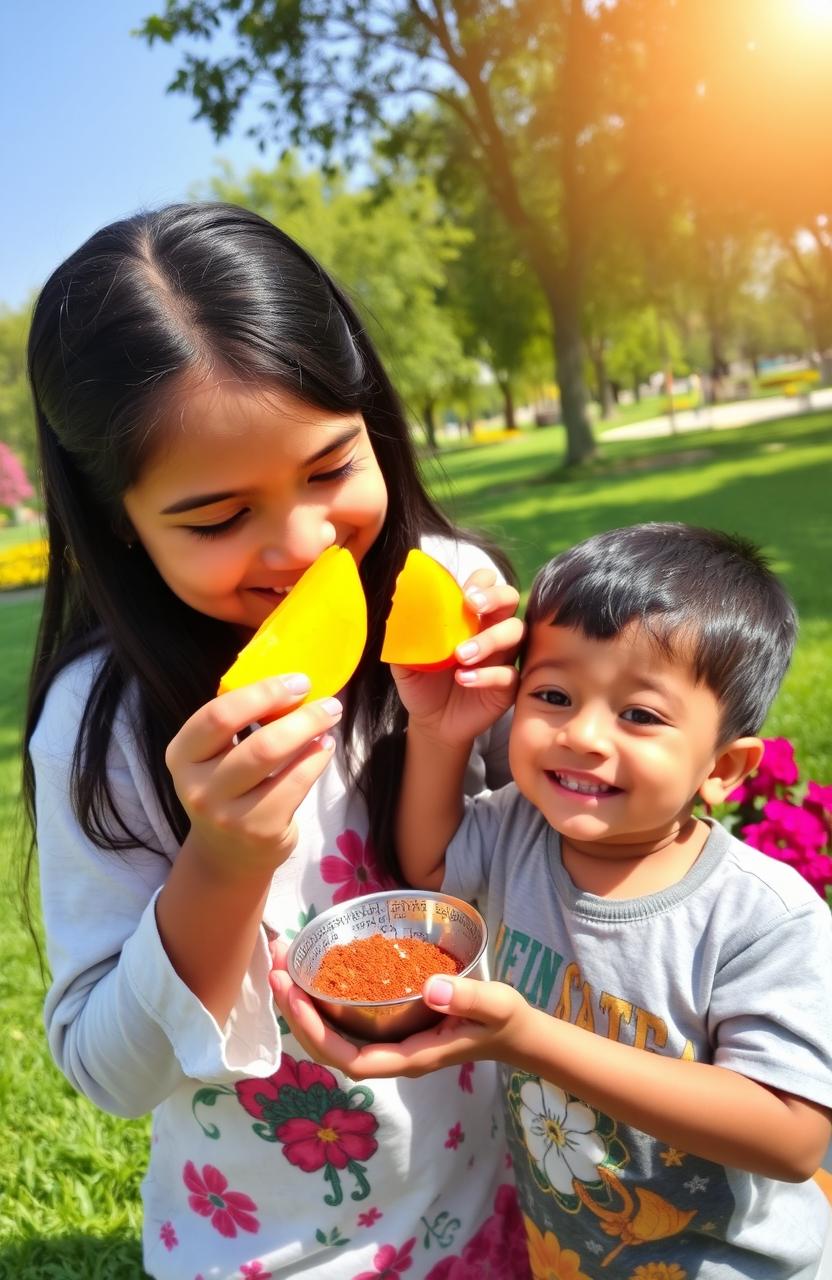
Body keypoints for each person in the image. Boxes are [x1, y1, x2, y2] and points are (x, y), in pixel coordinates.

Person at [23, 202, 532, 1280]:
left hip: (493, 1194)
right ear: (119, 517)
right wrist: (223, 856)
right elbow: (113, 1075)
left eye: (330, 467)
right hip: (270, 1249)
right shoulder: (100, 724)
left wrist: (482, 727)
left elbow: (534, 890)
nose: (302, 546)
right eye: (214, 518)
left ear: (373, 424)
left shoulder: (441, 602)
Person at [273, 523, 832, 1279]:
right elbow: (428, 868)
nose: (583, 735)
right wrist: (440, 733)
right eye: (554, 695)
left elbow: (793, 1137)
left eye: (639, 715)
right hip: (572, 1250)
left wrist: (528, 1039)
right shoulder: (518, 829)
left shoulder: (761, 918)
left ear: (725, 768)